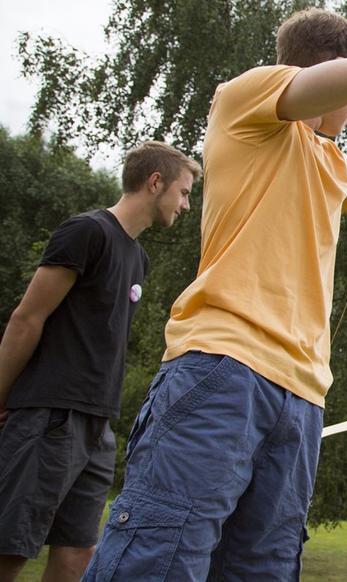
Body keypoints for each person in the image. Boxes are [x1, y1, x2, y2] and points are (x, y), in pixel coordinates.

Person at [84, 8, 347, 580]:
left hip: (300, 397)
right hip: (223, 368)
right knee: (159, 560)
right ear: (335, 71)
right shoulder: (246, 101)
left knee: (264, 569)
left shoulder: (330, 162)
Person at [0, 141, 200, 582]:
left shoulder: (138, 258)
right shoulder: (87, 232)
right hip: (51, 414)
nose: (186, 204)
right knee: (10, 547)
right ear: (155, 183)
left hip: (97, 425)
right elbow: (27, 318)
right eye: (183, 192)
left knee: (77, 553)